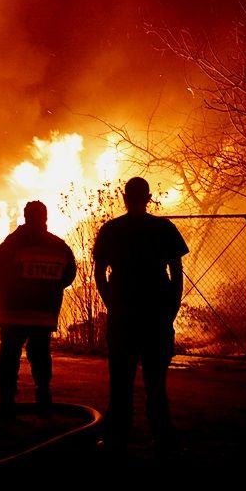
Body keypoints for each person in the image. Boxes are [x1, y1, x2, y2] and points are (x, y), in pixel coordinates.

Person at [93, 177, 188, 459]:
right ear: (148, 197)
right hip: (156, 313)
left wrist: (113, 304)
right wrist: (171, 308)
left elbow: (99, 274)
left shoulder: (112, 229)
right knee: (156, 382)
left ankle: (117, 439)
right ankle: (162, 438)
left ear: (125, 197)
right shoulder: (164, 229)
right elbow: (177, 273)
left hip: (124, 314)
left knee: (120, 381)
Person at [0, 200, 76, 419]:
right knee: (41, 355)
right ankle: (44, 398)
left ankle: (6, 403)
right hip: (43, 315)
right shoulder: (59, 246)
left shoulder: (13, 243)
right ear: (45, 218)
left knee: (9, 357)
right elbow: (68, 276)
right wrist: (48, 290)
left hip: (13, 314)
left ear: (26, 217)